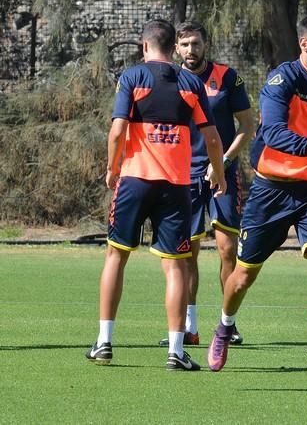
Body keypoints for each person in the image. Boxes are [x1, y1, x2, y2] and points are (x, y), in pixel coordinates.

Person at [206, 12, 307, 392]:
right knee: (242, 277)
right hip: (270, 191)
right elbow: (272, 133)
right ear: (305, 44)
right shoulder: (281, 80)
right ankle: (224, 327)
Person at [85, 19, 227, 371]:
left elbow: (118, 130)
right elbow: (212, 138)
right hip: (176, 186)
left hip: (134, 181)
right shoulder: (193, 82)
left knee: (116, 257)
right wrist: (219, 173)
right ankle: (176, 351)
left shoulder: (132, 77)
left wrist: (111, 167)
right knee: (175, 266)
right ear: (173, 47)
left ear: (144, 46)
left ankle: (104, 342)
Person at [158, 21, 256, 348]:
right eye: (184, 45)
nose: (190, 50)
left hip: (223, 174)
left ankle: (228, 324)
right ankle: (189, 326)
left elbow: (247, 124)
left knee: (228, 250)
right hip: (183, 175)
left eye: (196, 44)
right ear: (175, 49)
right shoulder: (170, 79)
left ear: (206, 44)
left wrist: (223, 163)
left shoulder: (228, 77)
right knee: (187, 253)